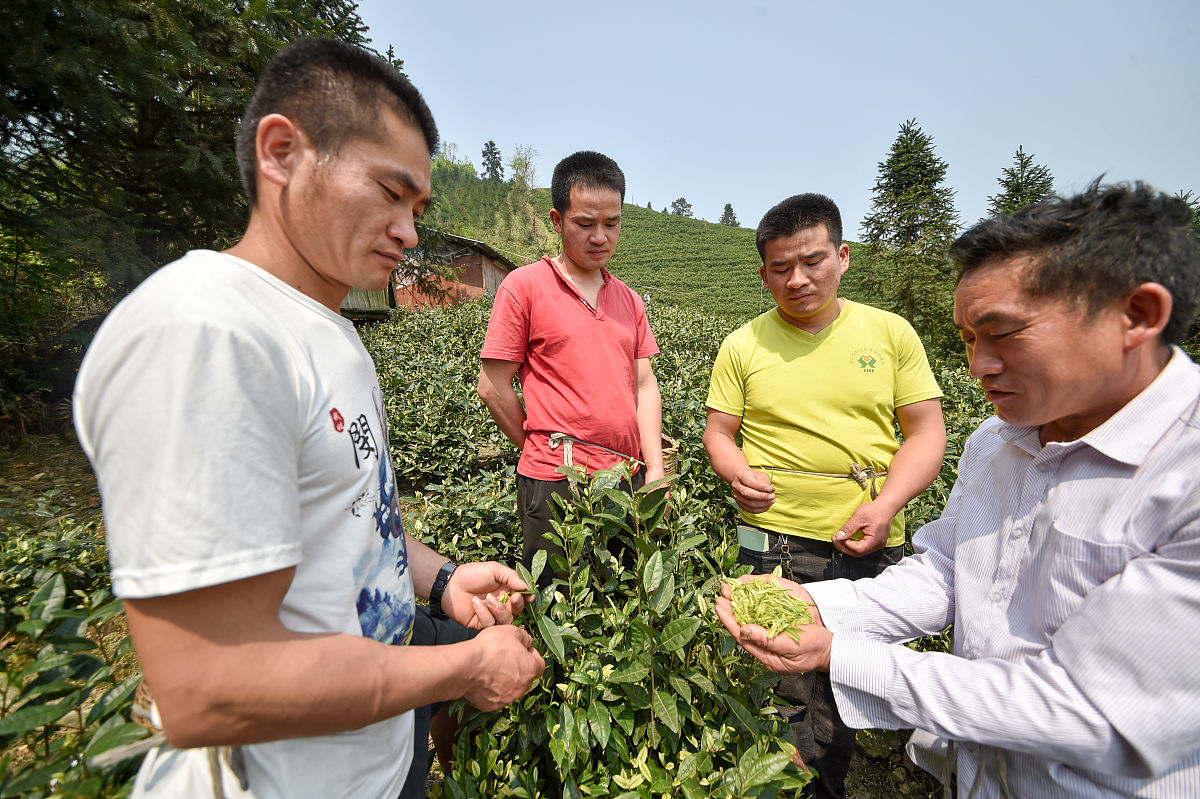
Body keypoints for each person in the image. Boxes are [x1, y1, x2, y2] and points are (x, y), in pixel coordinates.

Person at [73, 38, 544, 799]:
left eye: (418, 207)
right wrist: (464, 665)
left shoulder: (332, 333)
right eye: (390, 192)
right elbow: (210, 685)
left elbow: (349, 514)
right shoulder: (205, 331)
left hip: (377, 759)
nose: (410, 231)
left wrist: (443, 580)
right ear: (283, 151)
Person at [716, 181, 1200, 797]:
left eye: (1003, 333)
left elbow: (1085, 710)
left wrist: (840, 650)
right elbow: (949, 570)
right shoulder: (999, 444)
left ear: (1136, 316)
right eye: (969, 338)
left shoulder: (1185, 476)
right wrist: (813, 608)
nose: (977, 365)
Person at [702, 193, 947, 797]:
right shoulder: (743, 345)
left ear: (842, 257)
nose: (797, 279)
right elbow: (718, 432)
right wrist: (735, 472)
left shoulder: (890, 334)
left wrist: (886, 504)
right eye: (781, 268)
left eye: (812, 262)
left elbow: (926, 431)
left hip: (867, 545)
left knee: (850, 684)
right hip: (774, 543)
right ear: (763, 274)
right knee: (781, 689)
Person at [477, 151, 664, 570]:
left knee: (626, 604)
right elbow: (492, 386)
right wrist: (535, 447)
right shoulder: (524, 287)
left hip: (626, 480)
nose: (600, 236)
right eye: (584, 224)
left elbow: (645, 385)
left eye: (611, 223)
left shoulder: (629, 300)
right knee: (561, 607)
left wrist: (654, 469)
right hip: (556, 481)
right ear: (557, 220)